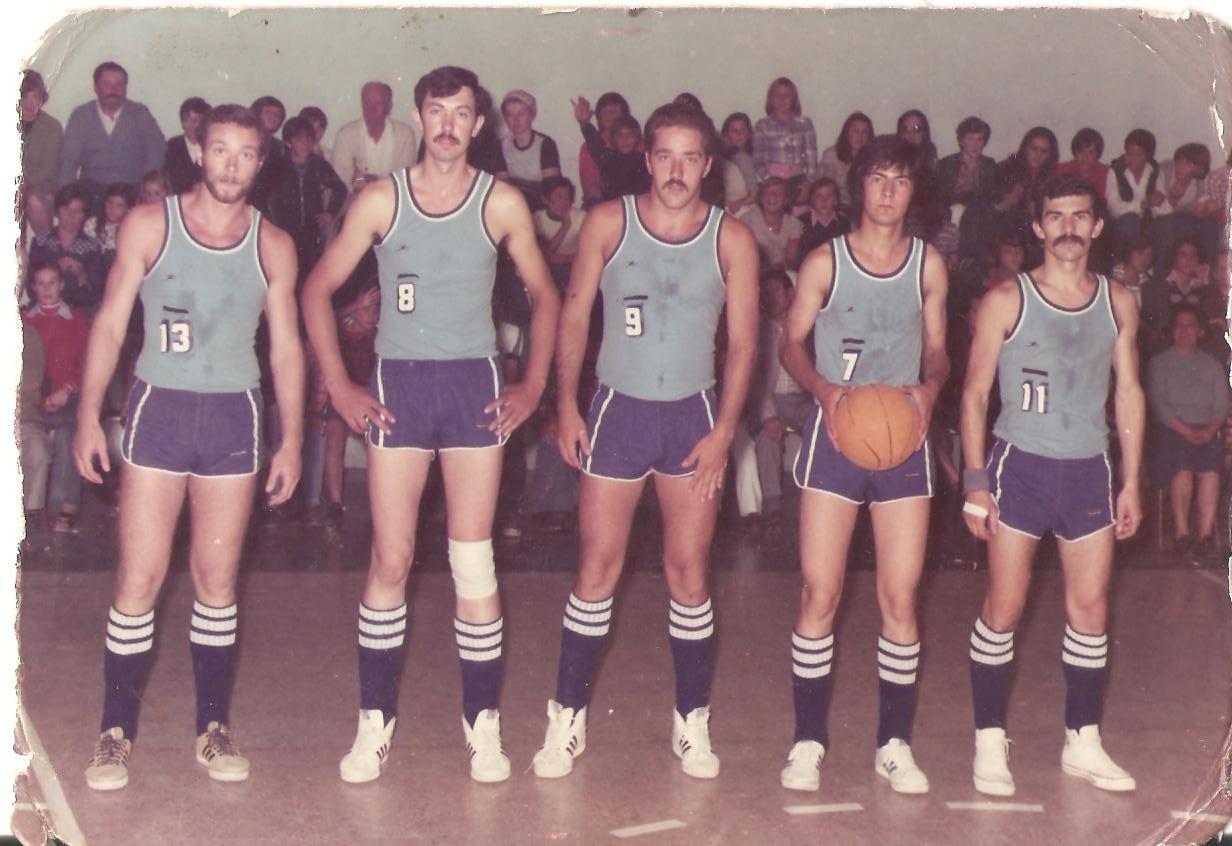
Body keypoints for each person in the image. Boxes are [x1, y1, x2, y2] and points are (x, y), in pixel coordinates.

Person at [301, 65, 560, 785]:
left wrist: (534, 382)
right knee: (390, 559)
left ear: (479, 125)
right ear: (420, 118)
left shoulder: (502, 201)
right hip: (399, 386)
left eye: (462, 113)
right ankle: (373, 726)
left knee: (472, 559)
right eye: (437, 111)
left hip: (473, 383)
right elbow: (318, 287)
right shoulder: (380, 198)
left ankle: (482, 726)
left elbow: (547, 293)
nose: (448, 124)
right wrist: (339, 383)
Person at [72, 103, 305, 791]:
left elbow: (288, 350)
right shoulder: (149, 223)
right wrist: (90, 415)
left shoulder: (275, 244)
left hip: (235, 417)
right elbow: (112, 326)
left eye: (247, 154)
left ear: (261, 164)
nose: (231, 165)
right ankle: (114, 731)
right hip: (159, 414)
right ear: (199, 153)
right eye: (221, 150)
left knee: (216, 584)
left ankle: (212, 727)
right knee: (138, 582)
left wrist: (291, 441)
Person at [531, 101, 758, 781]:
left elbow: (746, 343)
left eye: (691, 157)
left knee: (688, 575)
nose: (676, 170)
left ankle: (692, 722)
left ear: (708, 166)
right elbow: (573, 316)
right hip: (617, 414)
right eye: (665, 155)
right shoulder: (608, 222)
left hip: (692, 418)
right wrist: (566, 406)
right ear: (647, 157)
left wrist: (724, 432)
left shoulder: (732, 239)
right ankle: (566, 717)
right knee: (596, 569)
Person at [959, 174, 1144, 797]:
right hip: (1021, 468)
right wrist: (975, 482)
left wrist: (1133, 482)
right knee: (1004, 607)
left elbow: (1128, 392)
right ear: (1037, 227)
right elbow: (974, 393)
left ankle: (1082, 741)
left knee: (1090, 609)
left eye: (1080, 216)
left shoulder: (1119, 300)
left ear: (1097, 226)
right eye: (1055, 216)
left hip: (1089, 467)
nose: (1068, 226)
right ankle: (989, 739)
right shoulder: (1005, 299)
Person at [777, 134, 949, 795]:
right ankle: (807, 741)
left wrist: (930, 392)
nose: (886, 190)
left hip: (902, 439)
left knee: (899, 596)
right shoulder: (825, 260)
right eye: (876, 178)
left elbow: (938, 351)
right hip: (835, 437)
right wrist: (824, 393)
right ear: (859, 187)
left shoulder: (928, 265)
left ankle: (894, 744)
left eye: (899, 180)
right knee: (820, 593)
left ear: (913, 192)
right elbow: (790, 342)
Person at [1147, 304, 1228, 558]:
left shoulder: (1212, 365)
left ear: (1201, 331)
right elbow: (1159, 404)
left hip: (1207, 429)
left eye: (1190, 325)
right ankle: (1182, 534)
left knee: (1210, 470)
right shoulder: (1159, 363)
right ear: (1172, 330)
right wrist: (1185, 430)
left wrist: (1208, 430)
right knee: (1182, 468)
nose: (1184, 330)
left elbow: (1221, 404)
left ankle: (1204, 536)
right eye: (1179, 325)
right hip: (1173, 431)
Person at [23, 260, 90, 533]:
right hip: (33, 396)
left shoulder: (75, 320)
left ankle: (64, 504)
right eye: (40, 283)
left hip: (68, 392)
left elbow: (87, 364)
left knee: (66, 428)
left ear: (61, 285)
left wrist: (67, 389)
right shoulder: (25, 321)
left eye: (52, 282)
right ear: (33, 288)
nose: (46, 289)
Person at [57, 61, 165, 204]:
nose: (113, 89)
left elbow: (157, 150)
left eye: (119, 84)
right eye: (107, 84)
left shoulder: (139, 113)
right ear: (96, 87)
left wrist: (145, 187)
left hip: (131, 188)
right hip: (92, 189)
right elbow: (68, 159)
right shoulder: (81, 116)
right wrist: (66, 197)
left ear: (125, 87)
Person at [28, 183, 106, 316]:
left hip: (79, 311)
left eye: (77, 211)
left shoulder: (92, 247)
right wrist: (54, 266)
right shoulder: (41, 243)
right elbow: (31, 289)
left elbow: (95, 295)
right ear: (57, 212)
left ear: (84, 215)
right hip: (45, 310)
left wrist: (81, 275)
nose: (71, 216)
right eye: (66, 209)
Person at [330, 81, 418, 191]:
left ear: (389, 106)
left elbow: (402, 180)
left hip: (391, 200)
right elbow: (341, 180)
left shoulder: (405, 135)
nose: (372, 109)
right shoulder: (346, 135)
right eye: (367, 103)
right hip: (356, 201)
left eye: (378, 103)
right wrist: (364, 181)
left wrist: (363, 178)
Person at [753, 77, 817, 200]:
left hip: (799, 181)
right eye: (778, 95)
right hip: (772, 180)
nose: (782, 99)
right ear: (771, 99)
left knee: (798, 215)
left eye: (787, 95)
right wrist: (769, 181)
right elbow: (758, 159)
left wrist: (809, 183)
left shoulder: (805, 124)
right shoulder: (762, 125)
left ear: (794, 99)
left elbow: (811, 156)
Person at [19, 69, 63, 238]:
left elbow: (49, 169)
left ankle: (47, 249)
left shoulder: (52, 127)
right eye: (25, 97)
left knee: (33, 201)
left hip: (43, 186)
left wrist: (24, 181)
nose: (31, 104)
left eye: (36, 97)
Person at [499, 89, 561, 207]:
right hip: (514, 203)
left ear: (532, 115)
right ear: (505, 118)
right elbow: (501, 183)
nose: (516, 120)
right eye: (510, 115)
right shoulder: (501, 145)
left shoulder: (545, 144)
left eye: (521, 113)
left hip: (542, 205)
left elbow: (552, 187)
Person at [1105, 129, 1160, 253]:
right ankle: (1121, 266)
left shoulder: (1155, 171)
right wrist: (1142, 205)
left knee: (1163, 225)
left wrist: (1158, 201)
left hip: (1148, 222)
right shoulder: (1115, 171)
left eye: (1138, 155)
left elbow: (1161, 207)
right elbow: (1114, 208)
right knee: (1131, 220)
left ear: (1148, 156)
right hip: (1121, 222)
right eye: (1129, 153)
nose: (1132, 159)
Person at [577, 92, 631, 209]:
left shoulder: (639, 143)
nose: (613, 117)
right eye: (608, 113)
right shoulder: (588, 147)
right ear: (599, 117)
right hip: (603, 205)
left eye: (616, 112)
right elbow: (590, 189)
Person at [741, 176, 802, 271]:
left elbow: (790, 260)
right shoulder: (747, 220)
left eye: (778, 193)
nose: (772, 196)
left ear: (785, 199)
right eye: (767, 193)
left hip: (781, 273)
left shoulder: (794, 224)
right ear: (760, 197)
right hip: (753, 271)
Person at [936, 116, 995, 207]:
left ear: (984, 142)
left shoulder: (989, 164)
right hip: (951, 212)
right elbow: (940, 198)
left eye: (979, 139)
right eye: (970, 139)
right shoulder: (946, 164)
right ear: (961, 141)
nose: (975, 145)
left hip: (979, 213)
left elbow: (991, 198)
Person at [818, 111, 874, 207]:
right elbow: (827, 189)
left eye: (864, 132)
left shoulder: (874, 158)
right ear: (847, 133)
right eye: (856, 131)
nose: (860, 137)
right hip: (835, 207)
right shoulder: (831, 155)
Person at [797, 177, 850, 260]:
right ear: (812, 200)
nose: (824, 200)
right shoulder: (801, 222)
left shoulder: (844, 223)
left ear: (836, 200)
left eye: (829, 195)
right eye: (818, 196)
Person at [165, 97, 210, 194]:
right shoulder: (172, 146)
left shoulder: (211, 147)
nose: (191, 125)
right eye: (186, 120)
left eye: (196, 120)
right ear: (182, 123)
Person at [719, 112, 758, 214]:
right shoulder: (723, 159)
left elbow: (754, 194)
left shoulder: (743, 159)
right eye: (734, 130)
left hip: (742, 209)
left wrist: (738, 204)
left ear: (748, 135)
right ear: (726, 134)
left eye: (743, 130)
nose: (739, 134)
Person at [1055, 128, 1109, 202]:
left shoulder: (1106, 172)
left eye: (1091, 152)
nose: (1085, 157)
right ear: (1075, 152)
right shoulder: (1061, 169)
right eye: (1081, 152)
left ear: (1097, 154)